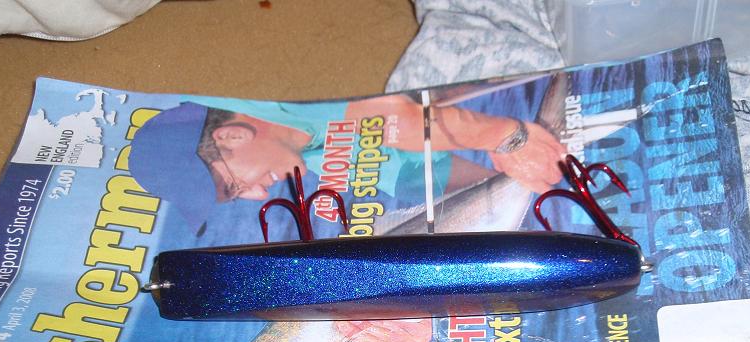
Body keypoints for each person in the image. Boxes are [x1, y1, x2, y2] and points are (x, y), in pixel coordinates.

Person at [128, 89, 565, 237]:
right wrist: (523, 181)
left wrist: (512, 139)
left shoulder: (265, 91)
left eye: (235, 185)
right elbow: (431, 177)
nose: (260, 195)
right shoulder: (324, 160)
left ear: (231, 137)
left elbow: (394, 115)